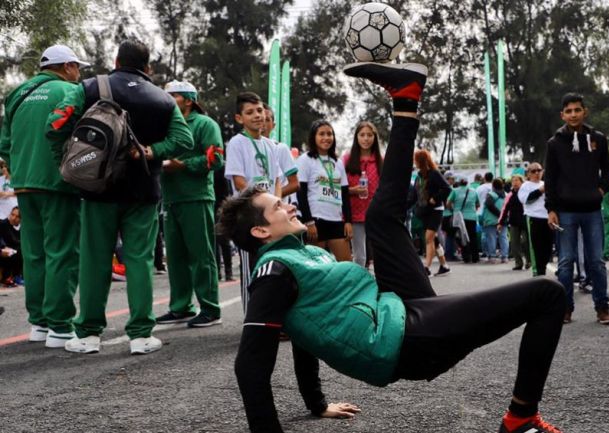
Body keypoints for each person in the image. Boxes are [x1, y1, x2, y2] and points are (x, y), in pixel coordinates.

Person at [222, 61, 566, 433]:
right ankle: (520, 419)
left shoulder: (304, 254)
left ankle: (406, 98)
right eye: (277, 207)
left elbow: (306, 339)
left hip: (394, 305)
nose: (288, 204)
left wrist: (317, 404)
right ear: (259, 232)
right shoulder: (273, 273)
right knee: (548, 293)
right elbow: (251, 365)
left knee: (383, 218)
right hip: (403, 342)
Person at [47, 39, 194, 354]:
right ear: (148, 67)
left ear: (115, 60)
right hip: (143, 190)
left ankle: (87, 334)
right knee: (139, 259)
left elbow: (56, 124)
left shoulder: (87, 88)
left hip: (97, 189)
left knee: (94, 260)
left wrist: (70, 158)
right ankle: (141, 335)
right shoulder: (163, 99)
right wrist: (152, 151)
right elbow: (184, 138)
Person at [0, 44, 87, 348]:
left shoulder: (16, 94)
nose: (79, 74)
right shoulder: (69, 91)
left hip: (24, 185)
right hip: (58, 182)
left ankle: (38, 322)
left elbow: (4, 143)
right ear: (67, 66)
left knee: (34, 254)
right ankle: (60, 325)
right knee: (62, 251)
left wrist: (21, 169)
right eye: (78, 67)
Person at [154, 81, 224, 327]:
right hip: (171, 198)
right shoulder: (165, 125)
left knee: (201, 255)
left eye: (172, 95)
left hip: (197, 197)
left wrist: (183, 165)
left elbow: (215, 158)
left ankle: (211, 308)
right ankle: (181, 306)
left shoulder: (205, 124)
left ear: (188, 99)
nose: (167, 99)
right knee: (176, 256)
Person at [545, 93, 609, 325]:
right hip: (564, 212)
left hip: (592, 210)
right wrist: (551, 209)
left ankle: (602, 308)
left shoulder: (598, 138)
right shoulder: (554, 143)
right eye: (569, 111)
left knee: (596, 261)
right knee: (565, 262)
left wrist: (601, 190)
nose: (573, 114)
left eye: (577, 110)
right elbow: (551, 179)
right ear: (562, 115)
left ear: (585, 111)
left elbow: (608, 169)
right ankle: (565, 308)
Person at [224, 92, 283, 310]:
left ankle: (271, 313)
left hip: (269, 214)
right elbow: (239, 180)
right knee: (251, 266)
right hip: (249, 215)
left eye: (259, 110)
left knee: (272, 264)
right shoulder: (237, 143)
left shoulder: (270, 145)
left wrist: (276, 202)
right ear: (239, 118)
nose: (257, 115)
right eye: (250, 112)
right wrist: (263, 201)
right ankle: (252, 316)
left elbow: (276, 178)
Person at [296, 120, 353, 262]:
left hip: (336, 221)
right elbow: (301, 193)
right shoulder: (305, 160)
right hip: (315, 221)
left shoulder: (337, 162)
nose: (326, 137)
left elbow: (344, 193)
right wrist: (308, 222)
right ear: (313, 137)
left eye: (329, 134)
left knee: (347, 265)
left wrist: (348, 221)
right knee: (318, 269)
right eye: (321, 134)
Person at [343, 121, 383, 268]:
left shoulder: (381, 161)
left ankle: (382, 286)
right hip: (354, 214)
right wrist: (353, 190)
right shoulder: (347, 159)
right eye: (362, 135)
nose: (366, 139)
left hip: (376, 214)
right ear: (356, 137)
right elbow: (339, 188)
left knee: (380, 254)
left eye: (369, 135)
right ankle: (359, 286)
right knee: (360, 256)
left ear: (375, 138)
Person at [410, 149, 451, 275]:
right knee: (434, 239)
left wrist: (435, 198)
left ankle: (426, 267)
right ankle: (444, 265)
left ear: (421, 161)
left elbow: (447, 188)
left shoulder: (434, 174)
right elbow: (414, 196)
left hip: (436, 210)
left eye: (415, 160)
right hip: (424, 211)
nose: (414, 162)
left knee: (428, 238)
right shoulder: (419, 176)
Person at [518, 163, 552, 278]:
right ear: (528, 174)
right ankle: (537, 272)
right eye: (533, 171)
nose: (537, 173)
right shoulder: (526, 185)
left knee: (547, 248)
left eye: (539, 170)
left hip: (547, 219)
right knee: (536, 247)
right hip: (533, 218)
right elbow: (526, 199)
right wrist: (540, 191)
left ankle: (542, 268)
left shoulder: (546, 184)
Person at [499, 174, 530, 270]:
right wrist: (500, 222)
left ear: (521, 182)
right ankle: (518, 263)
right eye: (513, 181)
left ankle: (529, 261)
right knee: (514, 244)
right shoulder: (510, 195)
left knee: (525, 242)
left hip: (525, 221)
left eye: (517, 180)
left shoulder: (526, 193)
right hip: (513, 222)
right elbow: (504, 209)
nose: (515, 183)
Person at [447, 176, 480, 264]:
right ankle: (475, 257)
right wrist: (472, 211)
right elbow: (477, 204)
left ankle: (466, 257)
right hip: (472, 217)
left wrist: (453, 210)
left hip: (459, 218)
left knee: (462, 237)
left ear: (458, 183)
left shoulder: (454, 191)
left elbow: (448, 203)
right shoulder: (473, 191)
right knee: (473, 236)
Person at [481, 178, 508, 263]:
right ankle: (504, 257)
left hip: (490, 220)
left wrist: (498, 214)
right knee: (503, 238)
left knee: (491, 238)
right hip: (503, 220)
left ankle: (492, 257)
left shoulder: (491, 194)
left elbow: (489, 205)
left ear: (493, 186)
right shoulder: (506, 195)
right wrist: (502, 216)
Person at [0, 206, 22, 286]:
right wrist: (3, 247)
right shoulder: (3, 224)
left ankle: (18, 276)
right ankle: (9, 277)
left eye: (17, 217)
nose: (13, 218)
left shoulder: (22, 228)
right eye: (12, 215)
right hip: (4, 251)